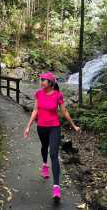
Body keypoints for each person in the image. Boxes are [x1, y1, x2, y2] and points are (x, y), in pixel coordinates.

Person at [23, 71, 81, 201]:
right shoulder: (38, 94)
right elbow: (35, 110)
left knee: (54, 154)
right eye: (41, 79)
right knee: (44, 147)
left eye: (44, 80)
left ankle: (56, 187)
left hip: (54, 127)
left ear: (50, 82)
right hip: (41, 127)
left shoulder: (58, 95)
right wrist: (28, 126)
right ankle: (44, 165)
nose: (41, 82)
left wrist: (74, 125)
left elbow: (64, 111)